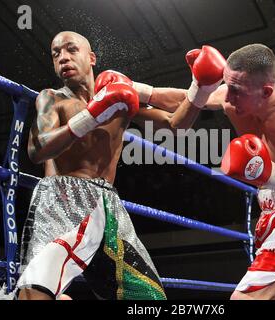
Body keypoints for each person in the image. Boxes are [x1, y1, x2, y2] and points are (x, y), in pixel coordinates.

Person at [136, 43, 275, 300]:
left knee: (245, 297)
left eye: (236, 91)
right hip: (271, 211)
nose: (227, 98)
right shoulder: (233, 97)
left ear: (266, 91)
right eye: (227, 86)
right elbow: (185, 100)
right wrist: (136, 90)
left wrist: (269, 174)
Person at [14, 31, 171, 300]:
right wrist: (89, 117)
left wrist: (202, 88)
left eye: (71, 50)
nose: (63, 57)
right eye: (56, 54)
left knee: (149, 298)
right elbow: (37, 151)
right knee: (35, 294)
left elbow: (174, 121)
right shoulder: (51, 98)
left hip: (107, 204)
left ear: (91, 57)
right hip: (62, 200)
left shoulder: (118, 98)